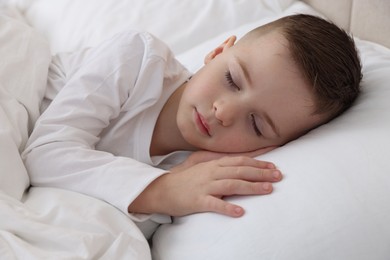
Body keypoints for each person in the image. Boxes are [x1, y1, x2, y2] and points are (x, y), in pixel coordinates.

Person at [22, 14, 362, 238]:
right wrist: (163, 189)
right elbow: (44, 154)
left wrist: (177, 180)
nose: (224, 112)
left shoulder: (196, 174)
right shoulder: (138, 60)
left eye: (256, 124)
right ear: (217, 52)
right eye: (232, 79)